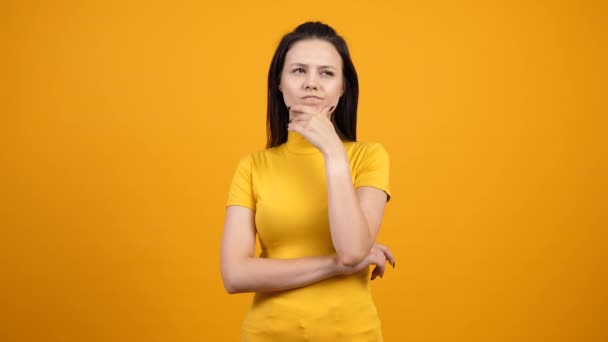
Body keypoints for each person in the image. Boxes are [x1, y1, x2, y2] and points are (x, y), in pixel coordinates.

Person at [220, 21, 395, 341]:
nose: (312, 83)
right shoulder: (253, 167)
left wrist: (333, 152)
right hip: (267, 333)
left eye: (326, 73)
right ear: (279, 82)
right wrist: (335, 266)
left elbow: (353, 250)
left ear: (343, 87)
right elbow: (235, 275)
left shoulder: (369, 157)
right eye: (299, 71)